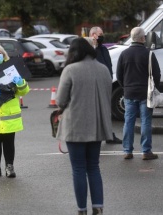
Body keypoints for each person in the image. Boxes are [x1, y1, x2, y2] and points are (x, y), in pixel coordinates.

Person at [56, 38, 113, 215]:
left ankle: (82, 209)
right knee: (94, 167)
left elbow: (60, 100)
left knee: (78, 168)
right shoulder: (103, 69)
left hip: (75, 126)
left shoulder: (70, 70)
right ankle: (98, 207)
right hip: (97, 125)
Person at [0, 43, 29, 178]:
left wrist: (20, 82)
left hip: (9, 114)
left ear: (4, 54)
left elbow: (24, 91)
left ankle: (9, 167)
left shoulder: (12, 69)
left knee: (9, 143)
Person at [116, 27, 161, 160]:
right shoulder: (149, 54)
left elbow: (119, 74)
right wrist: (154, 88)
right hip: (145, 93)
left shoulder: (124, 54)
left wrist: (125, 87)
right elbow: (156, 75)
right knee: (146, 121)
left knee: (128, 121)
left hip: (129, 92)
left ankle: (127, 151)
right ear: (142, 38)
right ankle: (146, 151)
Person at [89, 26, 122, 144]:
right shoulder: (89, 49)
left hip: (105, 83)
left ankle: (109, 135)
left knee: (106, 111)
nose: (102, 36)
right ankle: (94, 136)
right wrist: (93, 45)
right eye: (100, 34)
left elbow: (108, 65)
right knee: (95, 112)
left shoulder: (103, 49)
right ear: (93, 35)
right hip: (94, 85)